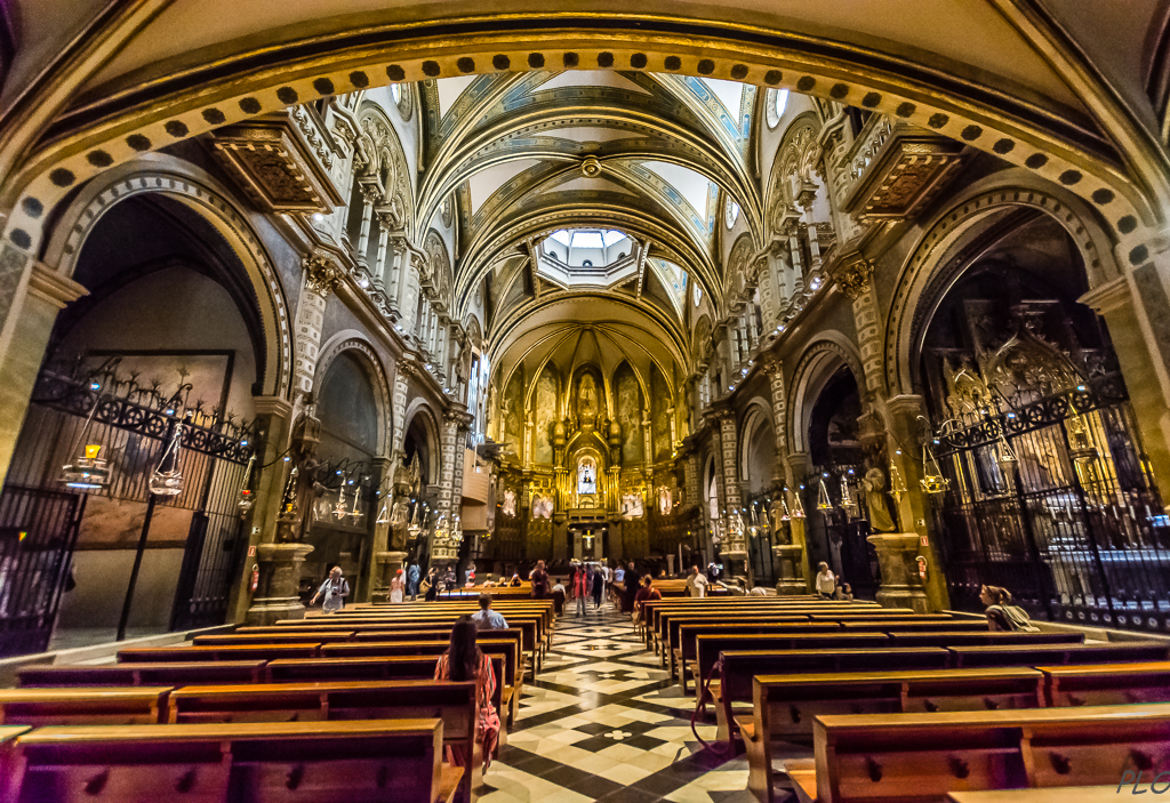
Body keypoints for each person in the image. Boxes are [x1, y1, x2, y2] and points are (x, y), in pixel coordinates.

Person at [434, 616, 500, 769]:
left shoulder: (443, 660)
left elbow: (436, 687)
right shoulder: (483, 660)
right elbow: (488, 691)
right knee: (491, 726)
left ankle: (459, 764)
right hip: (476, 712)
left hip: (449, 713)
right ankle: (478, 761)